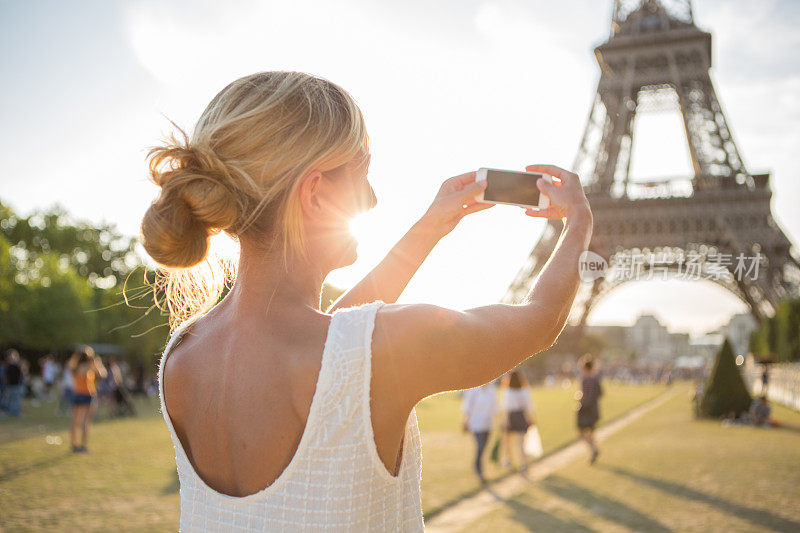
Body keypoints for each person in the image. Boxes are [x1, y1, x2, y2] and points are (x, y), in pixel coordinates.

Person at [143, 71, 592, 531]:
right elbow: (540, 320)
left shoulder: (184, 353)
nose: (374, 199)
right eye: (362, 173)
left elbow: (332, 349)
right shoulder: (378, 348)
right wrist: (578, 223)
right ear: (314, 193)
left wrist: (428, 228)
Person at [68, 346, 108, 452]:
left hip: (78, 394)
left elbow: (102, 374)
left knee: (76, 421)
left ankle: (75, 444)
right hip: (86, 394)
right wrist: (96, 363)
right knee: (85, 422)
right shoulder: (88, 366)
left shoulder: (74, 366)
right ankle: (82, 445)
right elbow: (103, 374)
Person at [461, 382, 498, 483]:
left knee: (483, 448)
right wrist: (465, 421)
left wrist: (500, 421)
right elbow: (467, 406)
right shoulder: (474, 389)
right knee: (480, 447)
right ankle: (479, 470)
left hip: (488, 425)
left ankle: (479, 468)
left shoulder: (491, 389)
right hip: (476, 424)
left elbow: (495, 407)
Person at [500, 370, 534, 472]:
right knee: (521, 442)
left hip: (511, 416)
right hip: (521, 416)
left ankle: (508, 459)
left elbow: (506, 408)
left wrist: (505, 420)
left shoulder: (507, 391)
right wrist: (530, 419)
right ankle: (523, 463)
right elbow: (528, 406)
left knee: (508, 441)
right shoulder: (524, 391)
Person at [577, 354, 603, 464]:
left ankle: (594, 450)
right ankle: (593, 451)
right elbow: (600, 394)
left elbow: (585, 395)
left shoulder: (585, 380)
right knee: (591, 434)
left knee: (581, 434)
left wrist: (581, 399)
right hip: (594, 410)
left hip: (586, 410)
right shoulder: (596, 379)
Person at [3, 350, 25, 417]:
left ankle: (16, 412)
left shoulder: (16, 366)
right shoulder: (9, 366)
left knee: (16, 399)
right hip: (11, 385)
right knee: (11, 399)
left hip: (16, 385)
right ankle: (12, 412)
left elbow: (22, 373)